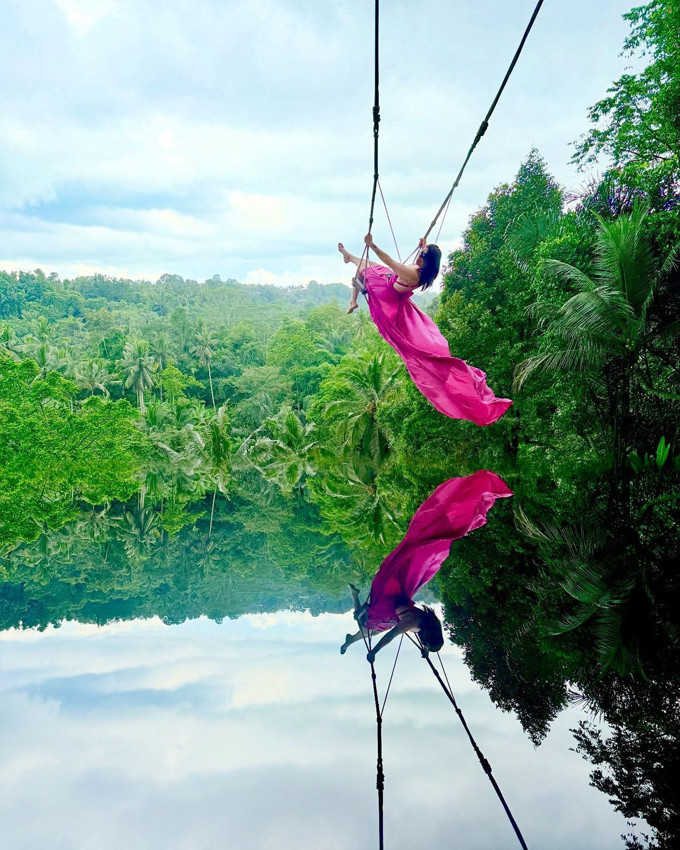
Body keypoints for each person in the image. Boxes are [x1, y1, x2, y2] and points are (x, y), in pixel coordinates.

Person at [337, 235, 513, 426]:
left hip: (387, 296)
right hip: (387, 283)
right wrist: (423, 245)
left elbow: (389, 261)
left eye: (421, 255)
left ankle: (352, 283)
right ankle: (352, 290)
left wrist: (373, 246)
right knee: (363, 268)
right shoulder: (420, 269)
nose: (419, 256)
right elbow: (409, 262)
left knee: (363, 270)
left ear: (425, 260)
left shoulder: (414, 275)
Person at [340, 584, 443, 662]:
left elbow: (427, 639)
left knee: (375, 632)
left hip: (391, 618)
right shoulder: (413, 621)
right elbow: (390, 635)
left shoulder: (428, 624)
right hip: (386, 609)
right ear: (430, 636)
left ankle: (350, 640)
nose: (423, 642)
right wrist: (374, 651)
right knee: (363, 625)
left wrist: (426, 650)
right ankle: (354, 595)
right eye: (425, 643)